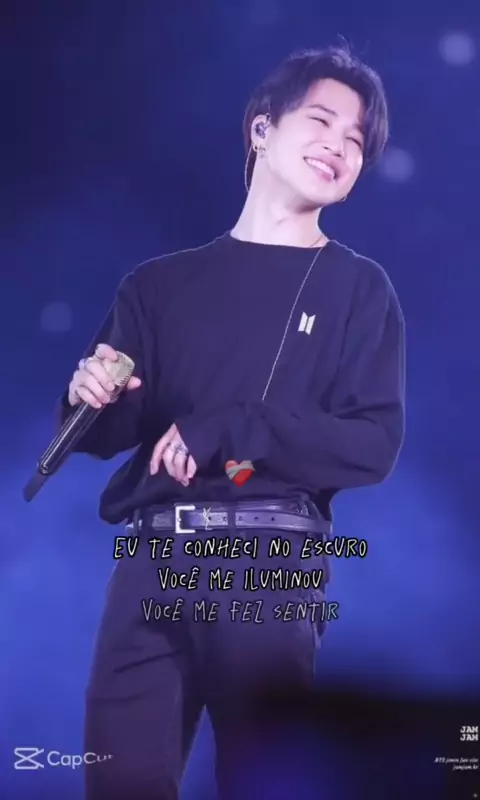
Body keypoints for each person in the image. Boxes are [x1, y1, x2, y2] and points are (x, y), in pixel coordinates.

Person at [60, 45, 405, 800]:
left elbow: (373, 443)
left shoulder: (358, 289)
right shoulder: (157, 285)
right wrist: (90, 398)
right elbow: (111, 430)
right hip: (149, 559)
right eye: (322, 121)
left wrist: (233, 427)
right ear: (261, 129)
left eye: (356, 140)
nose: (339, 146)